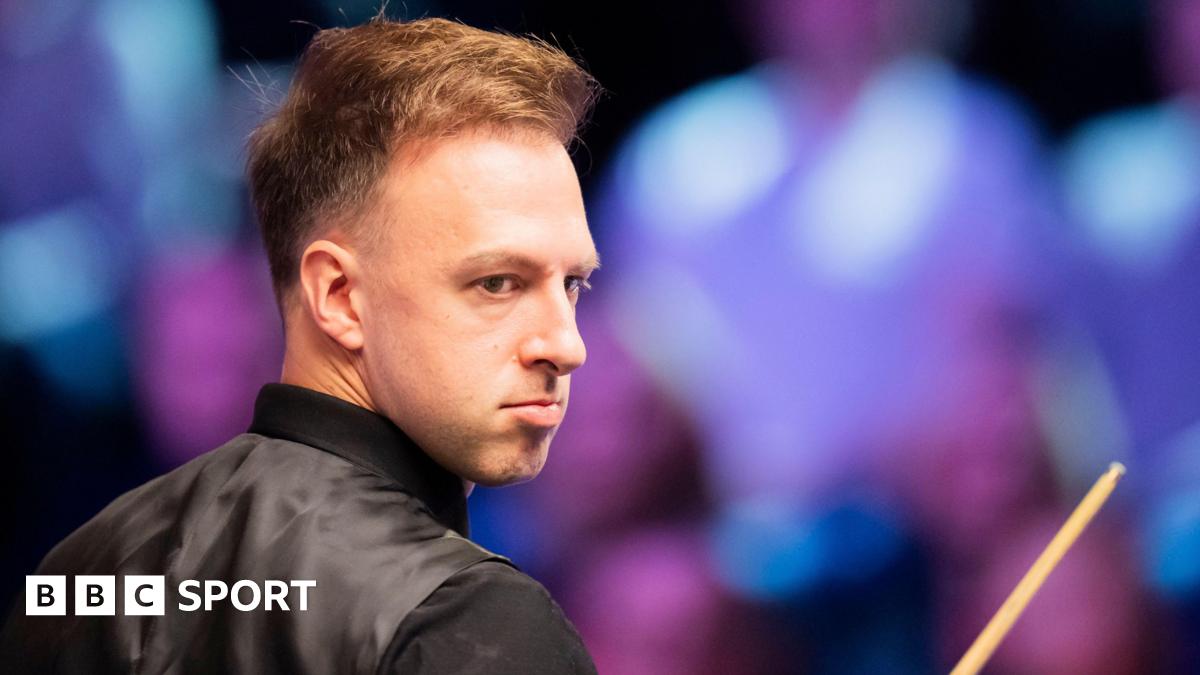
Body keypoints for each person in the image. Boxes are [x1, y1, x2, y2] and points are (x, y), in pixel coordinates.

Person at [0, 16, 600, 674]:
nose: (565, 344)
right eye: (496, 282)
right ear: (338, 296)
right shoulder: (473, 619)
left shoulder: (77, 578)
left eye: (574, 284)